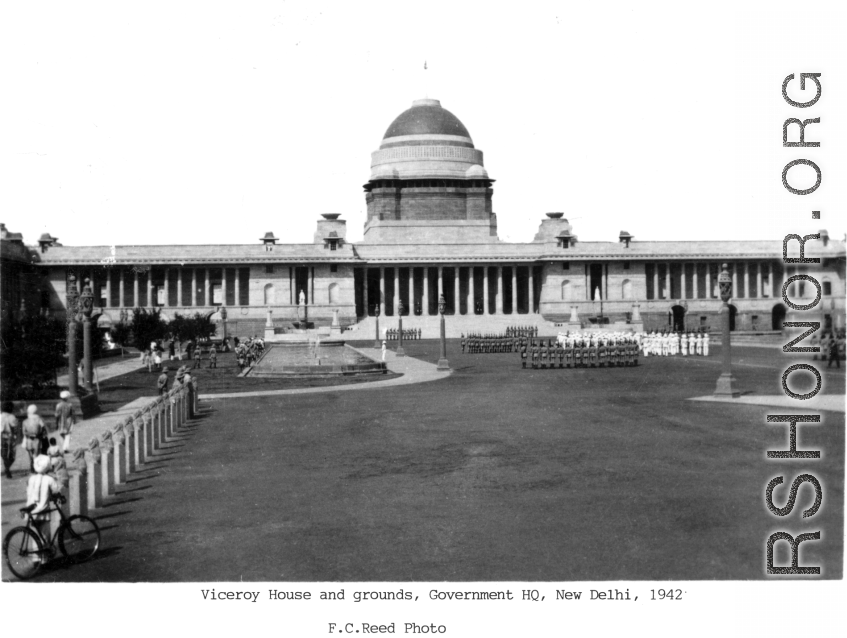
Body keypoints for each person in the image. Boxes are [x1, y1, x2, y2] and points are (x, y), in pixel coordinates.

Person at [22, 454, 60, 564]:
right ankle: (44, 561)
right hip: (43, 512)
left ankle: (35, 559)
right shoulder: (49, 479)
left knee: (35, 536)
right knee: (45, 535)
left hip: (31, 511)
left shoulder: (31, 478)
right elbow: (55, 492)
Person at [22, 405, 47, 471]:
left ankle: (32, 465)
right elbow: (43, 428)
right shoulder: (39, 419)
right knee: (37, 454)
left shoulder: (25, 421)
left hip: (29, 439)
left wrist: (30, 434)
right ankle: (36, 467)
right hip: (37, 439)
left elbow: (24, 432)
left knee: (30, 454)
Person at [1, 401, 19, 478]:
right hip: (9, 437)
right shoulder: (12, 417)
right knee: (12, 455)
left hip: (1, 437)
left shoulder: (0, 416)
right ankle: (7, 468)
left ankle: (6, 467)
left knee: (3, 453)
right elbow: (15, 429)